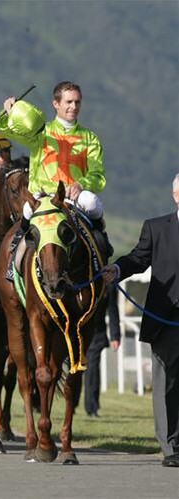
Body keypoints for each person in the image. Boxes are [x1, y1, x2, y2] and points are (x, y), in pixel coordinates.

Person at [102, 173, 179, 468]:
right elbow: (138, 258)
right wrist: (118, 270)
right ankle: (171, 447)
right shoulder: (157, 228)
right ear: (175, 196)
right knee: (167, 386)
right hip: (166, 317)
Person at [0, 80, 113, 255]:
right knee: (27, 211)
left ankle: (101, 244)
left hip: (73, 197)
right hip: (43, 196)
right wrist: (8, 112)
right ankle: (14, 253)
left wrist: (80, 184)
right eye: (69, 102)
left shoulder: (90, 138)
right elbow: (8, 130)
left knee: (92, 202)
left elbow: (97, 177)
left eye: (77, 102)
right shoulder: (40, 133)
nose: (74, 106)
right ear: (56, 104)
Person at [84, 283, 121, 417]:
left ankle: (92, 407)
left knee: (92, 370)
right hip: (77, 333)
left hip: (96, 335)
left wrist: (115, 336)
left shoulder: (109, 285)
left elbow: (112, 310)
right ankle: (74, 403)